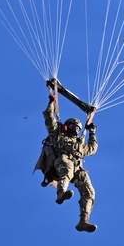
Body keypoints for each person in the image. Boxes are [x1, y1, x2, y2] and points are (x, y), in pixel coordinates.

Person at [35, 89, 99, 232]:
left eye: (77, 128)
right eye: (72, 126)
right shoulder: (57, 135)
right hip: (62, 161)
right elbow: (49, 117)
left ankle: (83, 220)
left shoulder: (80, 145)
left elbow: (92, 148)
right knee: (67, 169)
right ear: (66, 126)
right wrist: (51, 102)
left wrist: (92, 132)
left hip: (77, 168)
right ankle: (60, 194)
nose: (75, 129)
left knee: (89, 191)